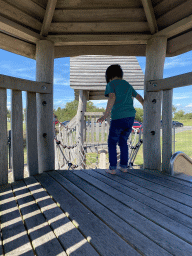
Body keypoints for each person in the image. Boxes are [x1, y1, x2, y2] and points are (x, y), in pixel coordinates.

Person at [97, 64, 144, 174]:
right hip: (130, 117)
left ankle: (112, 168)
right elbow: (139, 98)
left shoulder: (111, 84)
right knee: (123, 141)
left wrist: (105, 114)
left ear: (109, 75)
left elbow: (112, 97)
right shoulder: (127, 85)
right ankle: (124, 166)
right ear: (120, 74)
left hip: (118, 117)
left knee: (112, 142)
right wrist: (145, 106)